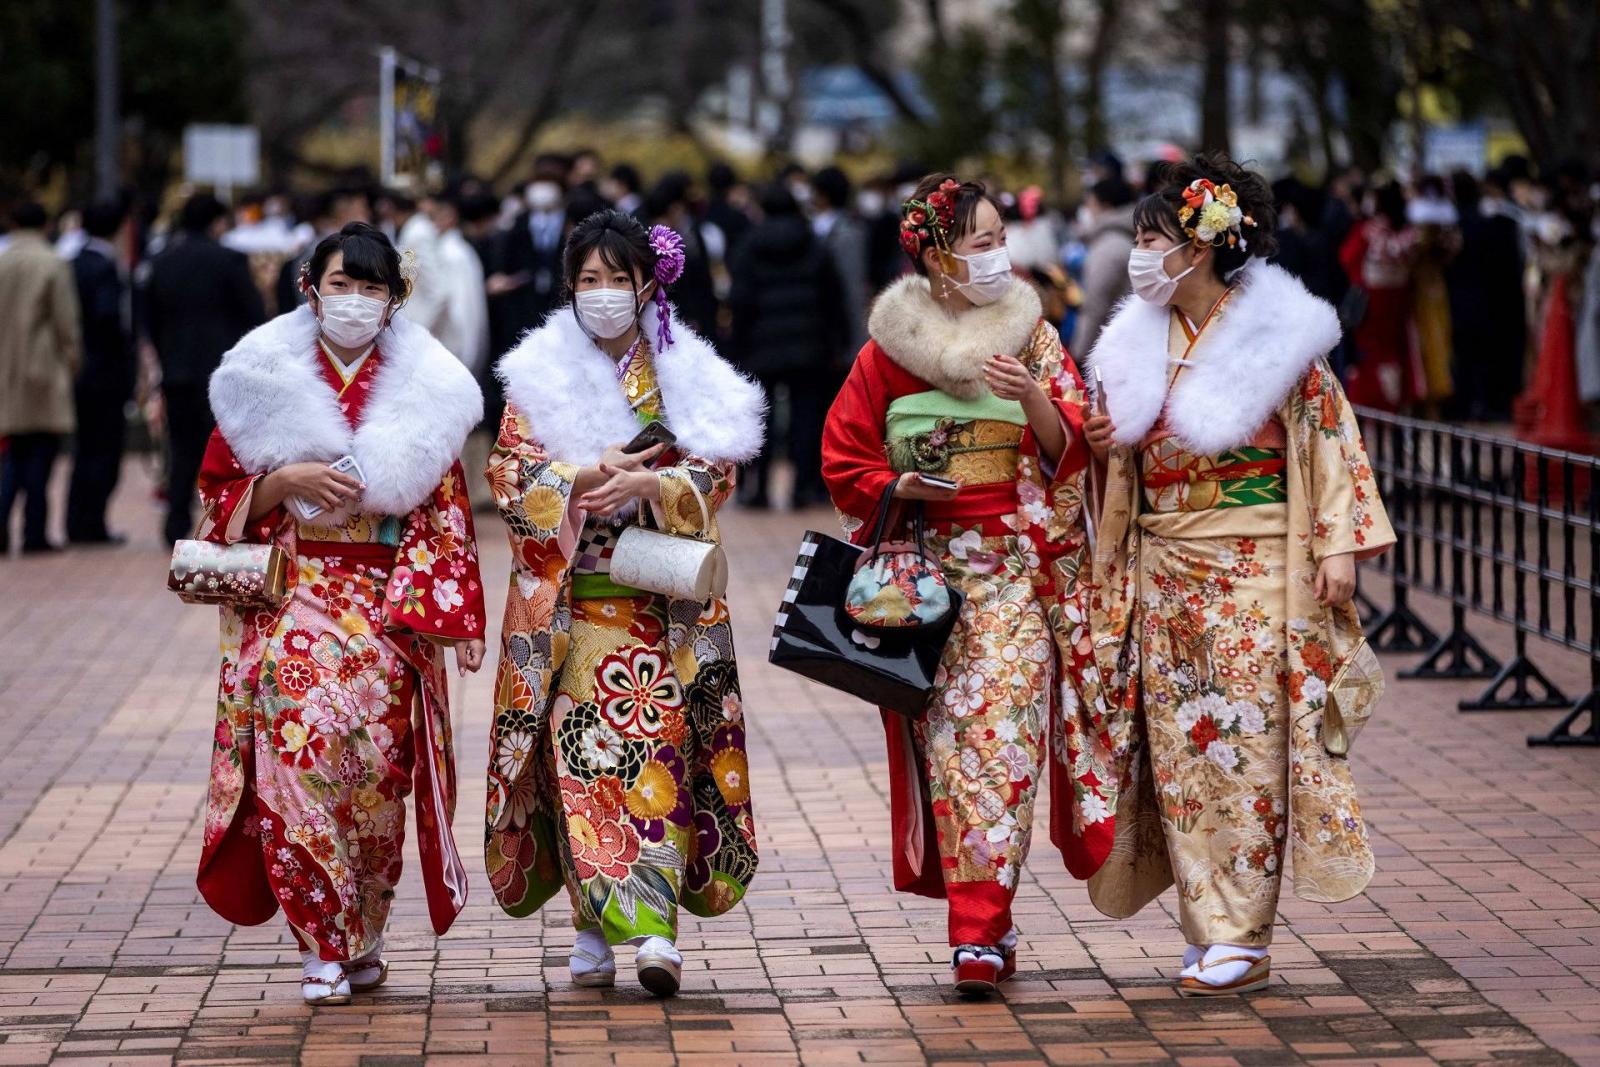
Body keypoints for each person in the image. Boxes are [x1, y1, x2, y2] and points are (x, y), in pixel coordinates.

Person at [1080, 153, 1394, 996]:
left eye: (1154, 237)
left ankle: (1243, 932)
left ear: (1204, 246)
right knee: (1181, 751)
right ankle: (1208, 924)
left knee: (1245, 745)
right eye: (1141, 237)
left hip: (1255, 563)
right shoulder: (1135, 339)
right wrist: (1105, 449)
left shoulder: (1275, 334)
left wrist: (1336, 547)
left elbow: (1328, 436)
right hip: (1165, 561)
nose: (1141, 251)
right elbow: (1109, 459)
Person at [820, 175, 1117, 996]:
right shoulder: (889, 349)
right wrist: (896, 487)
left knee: (1004, 742)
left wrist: (1034, 400)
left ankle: (976, 929)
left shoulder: (1032, 334)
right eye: (980, 241)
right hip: (928, 578)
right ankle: (987, 915)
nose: (997, 254)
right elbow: (845, 455)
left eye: (998, 238)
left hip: (1015, 573)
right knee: (952, 751)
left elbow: (1068, 449)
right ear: (936, 256)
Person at [194, 221, 485, 1005]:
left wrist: (453, 617)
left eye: (371, 287)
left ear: (395, 300)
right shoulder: (261, 377)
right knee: (299, 762)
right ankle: (320, 940)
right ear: (309, 290)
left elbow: (447, 510)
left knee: (377, 781)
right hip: (296, 598)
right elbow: (215, 495)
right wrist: (283, 479)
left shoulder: (425, 391)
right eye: (340, 284)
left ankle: (366, 929)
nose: (353, 301)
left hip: (389, 608)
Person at [483, 209, 764, 998]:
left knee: (660, 759)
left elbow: (719, 472)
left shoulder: (687, 371)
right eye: (588, 280)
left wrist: (656, 484)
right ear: (569, 288)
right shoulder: (536, 376)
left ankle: (652, 929)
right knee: (579, 768)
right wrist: (575, 476)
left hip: (658, 608)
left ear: (649, 283)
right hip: (574, 612)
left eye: (619, 278)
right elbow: (507, 474)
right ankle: (591, 922)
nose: (604, 294)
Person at [145, 192, 267, 544]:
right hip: (223, 372)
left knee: (181, 449)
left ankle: (175, 524)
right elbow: (254, 314)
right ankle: (226, 521)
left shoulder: (162, 260)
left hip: (177, 370)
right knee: (228, 451)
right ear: (216, 222)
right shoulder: (229, 260)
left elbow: (149, 317)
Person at [729, 185, 850, 509]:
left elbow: (740, 300)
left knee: (761, 418)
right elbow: (833, 299)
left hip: (760, 348)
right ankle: (801, 488)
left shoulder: (749, 245)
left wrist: (737, 347)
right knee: (805, 419)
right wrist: (836, 342)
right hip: (808, 348)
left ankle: (759, 490)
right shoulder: (814, 244)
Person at [0, 201, 81, 554]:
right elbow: (66, 322)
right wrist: (73, 360)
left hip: (4, 370)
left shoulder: (1, 261)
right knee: (40, 455)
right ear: (46, 224)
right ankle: (35, 533)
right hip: (43, 369)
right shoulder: (53, 262)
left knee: (9, 454)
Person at [67, 198, 137, 545]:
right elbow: (108, 319)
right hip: (105, 374)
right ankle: (90, 523)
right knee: (103, 450)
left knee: (84, 449)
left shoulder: (74, 261)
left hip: (80, 371)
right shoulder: (106, 268)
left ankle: (76, 519)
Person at [1449, 171, 1526, 419]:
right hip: (1493, 304)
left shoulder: (1457, 224)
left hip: (1463, 301)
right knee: (1485, 358)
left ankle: (1465, 404)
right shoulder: (1497, 223)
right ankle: (1488, 404)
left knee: (1466, 357)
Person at [1339, 182, 1420, 411]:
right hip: (1400, 296)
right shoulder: (1410, 232)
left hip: (1374, 298)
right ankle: (1396, 394)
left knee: (1372, 351)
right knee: (1396, 349)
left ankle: (1375, 397)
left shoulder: (1369, 229)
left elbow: (1347, 257)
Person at [1072, 176, 1137, 357]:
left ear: (1105, 206)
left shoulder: (1109, 247)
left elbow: (1095, 307)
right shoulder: (1127, 237)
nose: (1087, 210)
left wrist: (1079, 354)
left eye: (1090, 204)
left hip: (1110, 350)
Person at [811, 166, 872, 354]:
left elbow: (852, 289)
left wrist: (853, 345)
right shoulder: (816, 228)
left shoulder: (847, 234)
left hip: (842, 336)